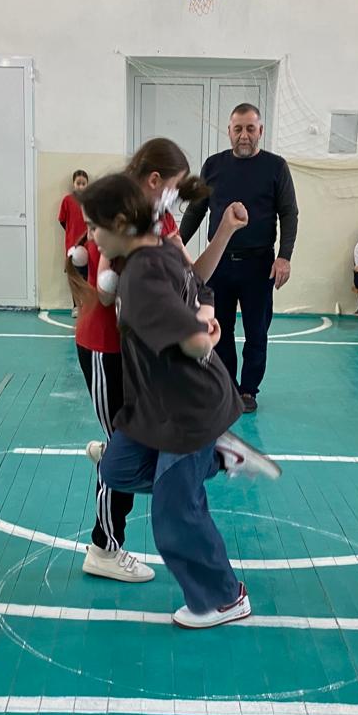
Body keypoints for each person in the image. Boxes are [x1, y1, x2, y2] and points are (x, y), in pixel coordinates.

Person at [81, 173, 279, 629]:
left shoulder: (143, 277)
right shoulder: (152, 253)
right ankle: (219, 456)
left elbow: (193, 340)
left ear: (120, 224)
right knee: (115, 470)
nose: (90, 236)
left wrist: (203, 334)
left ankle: (224, 598)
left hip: (189, 407)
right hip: (154, 404)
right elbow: (199, 286)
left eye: (95, 226)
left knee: (175, 513)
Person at [70, 138, 246, 585]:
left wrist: (224, 234)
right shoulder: (114, 214)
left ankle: (135, 456)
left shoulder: (158, 221)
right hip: (109, 349)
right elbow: (106, 290)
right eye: (173, 185)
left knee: (139, 448)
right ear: (154, 181)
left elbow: (194, 278)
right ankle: (105, 546)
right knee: (121, 448)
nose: (176, 195)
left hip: (148, 357)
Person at [179, 103, 299, 414]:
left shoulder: (276, 167)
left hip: (259, 265)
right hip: (219, 264)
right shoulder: (213, 165)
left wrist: (284, 257)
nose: (244, 135)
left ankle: (248, 390)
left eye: (250, 129)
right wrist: (175, 244)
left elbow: (289, 213)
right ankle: (228, 386)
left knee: (257, 332)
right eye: (238, 129)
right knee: (220, 329)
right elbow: (196, 210)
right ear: (229, 131)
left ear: (260, 131)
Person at [59, 169, 90, 312]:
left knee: (87, 275)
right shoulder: (67, 200)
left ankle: (87, 305)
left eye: (84, 183)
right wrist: (72, 234)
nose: (81, 186)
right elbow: (62, 220)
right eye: (78, 183)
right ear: (73, 184)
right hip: (72, 244)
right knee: (74, 276)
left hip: (88, 245)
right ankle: (76, 306)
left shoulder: (90, 201)